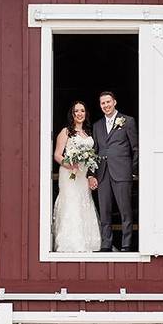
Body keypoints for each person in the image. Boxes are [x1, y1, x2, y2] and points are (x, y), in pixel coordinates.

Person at [87, 91, 138, 252]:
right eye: (103, 103)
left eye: (108, 102)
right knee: (105, 210)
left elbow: (136, 148)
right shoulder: (97, 125)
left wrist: (133, 170)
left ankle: (126, 244)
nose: (106, 105)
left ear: (114, 102)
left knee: (125, 210)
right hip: (103, 173)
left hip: (122, 172)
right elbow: (94, 152)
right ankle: (106, 244)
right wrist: (91, 173)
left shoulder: (128, 121)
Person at [52, 101, 102, 252]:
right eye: (76, 111)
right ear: (72, 115)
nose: (80, 114)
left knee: (84, 201)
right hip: (69, 174)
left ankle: (88, 242)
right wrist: (70, 164)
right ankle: (70, 243)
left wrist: (90, 175)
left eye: (82, 111)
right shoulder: (66, 132)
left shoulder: (88, 133)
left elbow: (92, 157)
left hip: (83, 175)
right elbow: (57, 155)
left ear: (86, 113)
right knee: (71, 202)